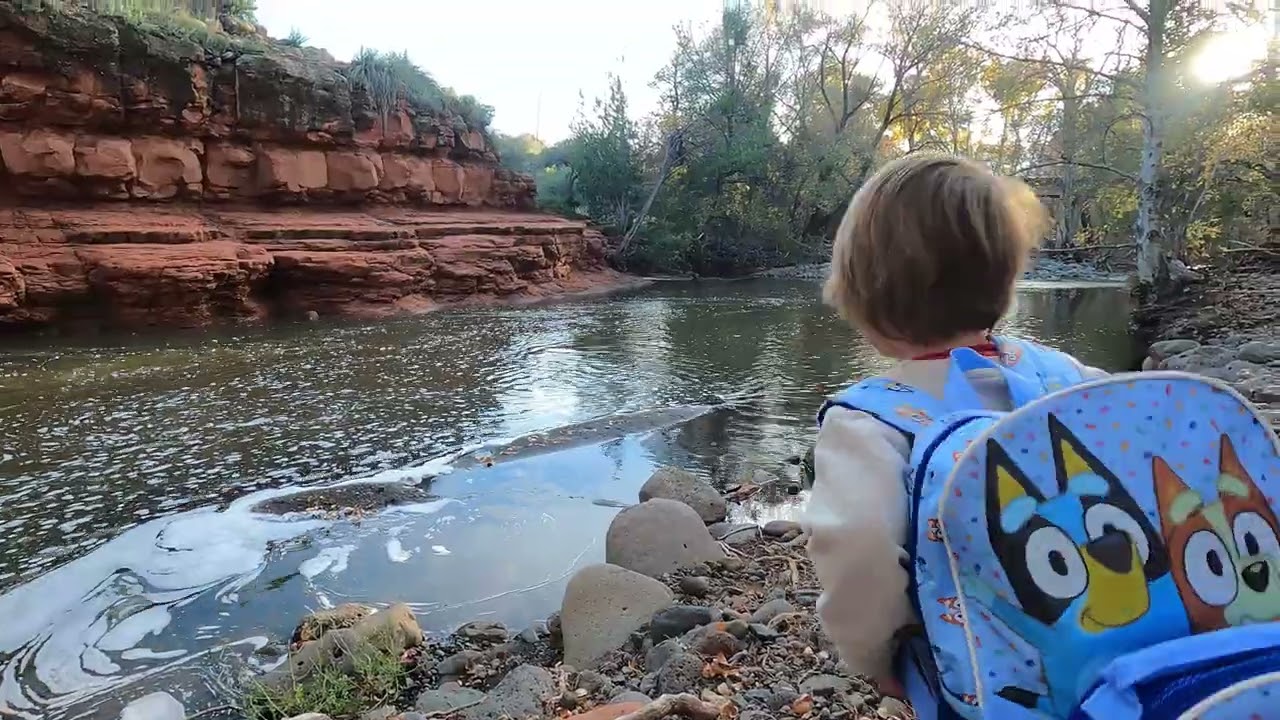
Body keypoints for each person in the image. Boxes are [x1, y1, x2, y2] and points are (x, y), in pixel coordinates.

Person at [802, 155, 1106, 704]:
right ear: (1004, 278)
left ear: (862, 293)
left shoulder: (870, 422)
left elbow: (858, 555)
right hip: (1109, 641)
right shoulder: (1068, 376)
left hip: (981, 686)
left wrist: (874, 658)